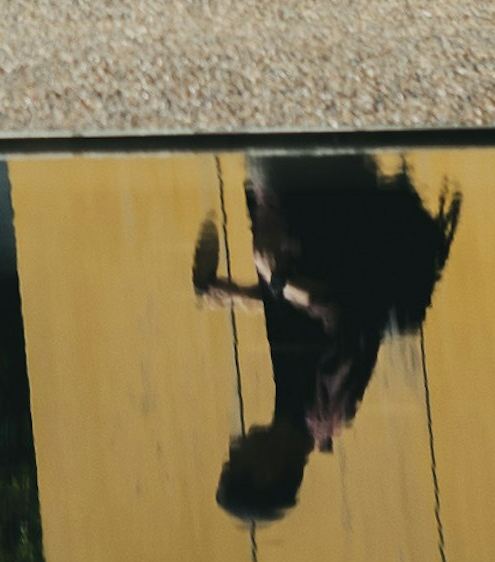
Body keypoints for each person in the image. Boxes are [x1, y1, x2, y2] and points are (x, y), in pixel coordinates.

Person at [194, 153, 463, 522]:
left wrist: (239, 295)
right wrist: (277, 281)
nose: (232, 450)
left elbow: (306, 316)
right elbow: (349, 315)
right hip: (320, 199)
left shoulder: (294, 410)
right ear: (268, 473)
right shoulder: (325, 410)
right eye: (235, 466)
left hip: (300, 200)